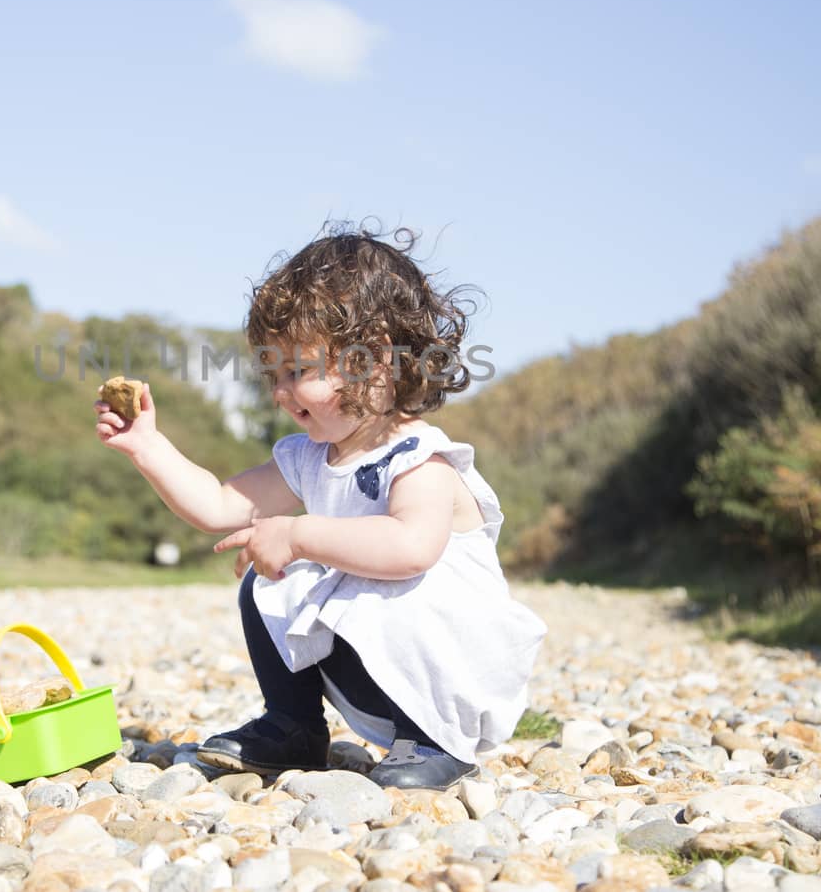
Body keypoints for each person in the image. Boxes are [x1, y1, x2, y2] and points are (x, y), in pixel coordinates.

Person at [94, 221, 547, 788]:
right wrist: (148, 447)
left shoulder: (421, 459)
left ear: (373, 361)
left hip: (446, 677)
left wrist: (299, 533)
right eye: (272, 374)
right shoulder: (311, 457)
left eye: (299, 371)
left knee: (307, 555)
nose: (280, 392)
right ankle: (293, 727)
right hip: (375, 666)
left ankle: (435, 745)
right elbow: (217, 505)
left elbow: (411, 548)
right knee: (266, 579)